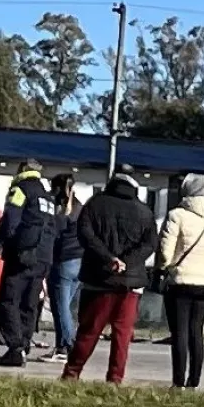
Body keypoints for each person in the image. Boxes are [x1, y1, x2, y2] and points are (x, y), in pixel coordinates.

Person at [61, 165, 157, 385]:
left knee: (89, 330)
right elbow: (150, 244)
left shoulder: (95, 204)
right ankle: (115, 379)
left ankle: (72, 373)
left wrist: (109, 258)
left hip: (98, 279)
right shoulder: (144, 211)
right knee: (123, 334)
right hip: (130, 284)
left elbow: (85, 234)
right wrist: (127, 262)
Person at [0, 159, 57, 367]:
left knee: (7, 302)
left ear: (23, 170)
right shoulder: (47, 196)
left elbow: (11, 220)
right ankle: (24, 345)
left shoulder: (20, 189)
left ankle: (15, 349)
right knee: (29, 303)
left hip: (23, 255)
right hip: (44, 257)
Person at [157, 173, 204, 389]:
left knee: (180, 333)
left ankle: (177, 382)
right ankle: (194, 381)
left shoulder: (177, 215)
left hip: (181, 281)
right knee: (197, 332)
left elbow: (165, 253)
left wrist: (163, 267)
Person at [38, 173, 83, 363]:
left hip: (62, 262)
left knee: (60, 307)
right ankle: (65, 346)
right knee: (65, 306)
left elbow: (52, 235)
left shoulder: (59, 211)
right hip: (79, 261)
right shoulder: (80, 207)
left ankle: (66, 347)